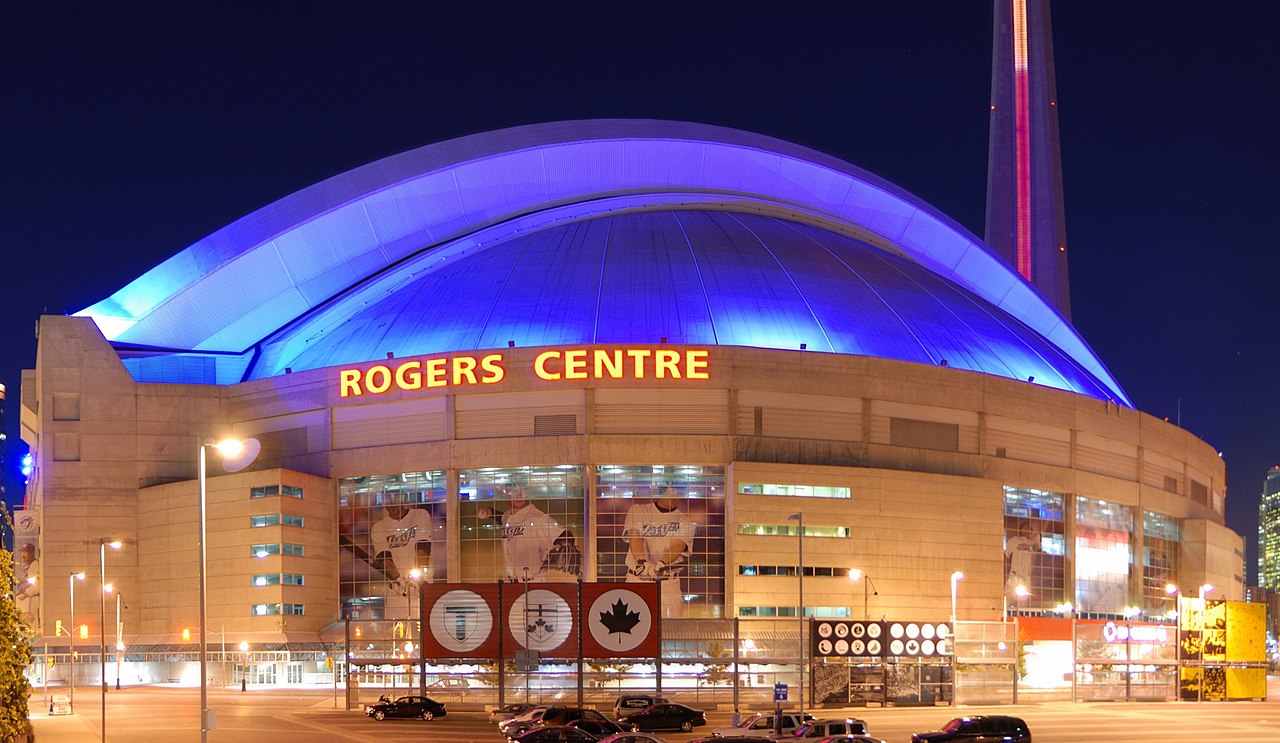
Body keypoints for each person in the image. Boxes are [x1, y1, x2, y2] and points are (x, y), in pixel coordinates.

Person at [478, 485, 581, 580]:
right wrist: (491, 512)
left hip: (533, 583)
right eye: (514, 491)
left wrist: (565, 543)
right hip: (510, 583)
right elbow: (503, 519)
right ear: (507, 494)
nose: (519, 495)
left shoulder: (539, 518)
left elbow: (564, 534)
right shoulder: (507, 516)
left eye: (523, 490)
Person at [624, 485, 696, 617]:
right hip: (637, 579)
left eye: (678, 493)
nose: (675, 497)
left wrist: (662, 563)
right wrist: (641, 561)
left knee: (670, 630)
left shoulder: (685, 521)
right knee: (634, 628)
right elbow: (635, 536)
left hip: (668, 583)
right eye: (671, 492)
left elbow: (678, 545)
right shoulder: (638, 510)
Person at [369, 495, 436, 617]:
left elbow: (423, 546)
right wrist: (397, 579)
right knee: (394, 629)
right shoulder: (378, 527)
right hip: (397, 589)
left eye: (394, 499)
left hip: (421, 586)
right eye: (387, 501)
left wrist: (419, 578)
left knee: (422, 627)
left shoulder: (420, 515)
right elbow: (384, 556)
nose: (391, 504)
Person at [14, 543, 40, 624]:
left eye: (25, 552)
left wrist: (25, 594)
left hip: (32, 599)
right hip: (26, 601)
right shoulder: (28, 566)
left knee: (33, 624)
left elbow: (37, 586)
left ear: (31, 553)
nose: (22, 555)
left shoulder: (35, 565)